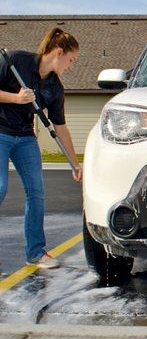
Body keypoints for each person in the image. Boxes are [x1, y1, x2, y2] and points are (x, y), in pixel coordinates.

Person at [0, 27, 83, 269]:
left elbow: (61, 128)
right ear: (58, 52)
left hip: (25, 138)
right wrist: (15, 98)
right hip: (1, 133)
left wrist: (75, 163)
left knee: (36, 194)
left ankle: (35, 252)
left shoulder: (55, 88)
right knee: (0, 187)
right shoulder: (15, 60)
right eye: (71, 60)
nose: (71, 66)